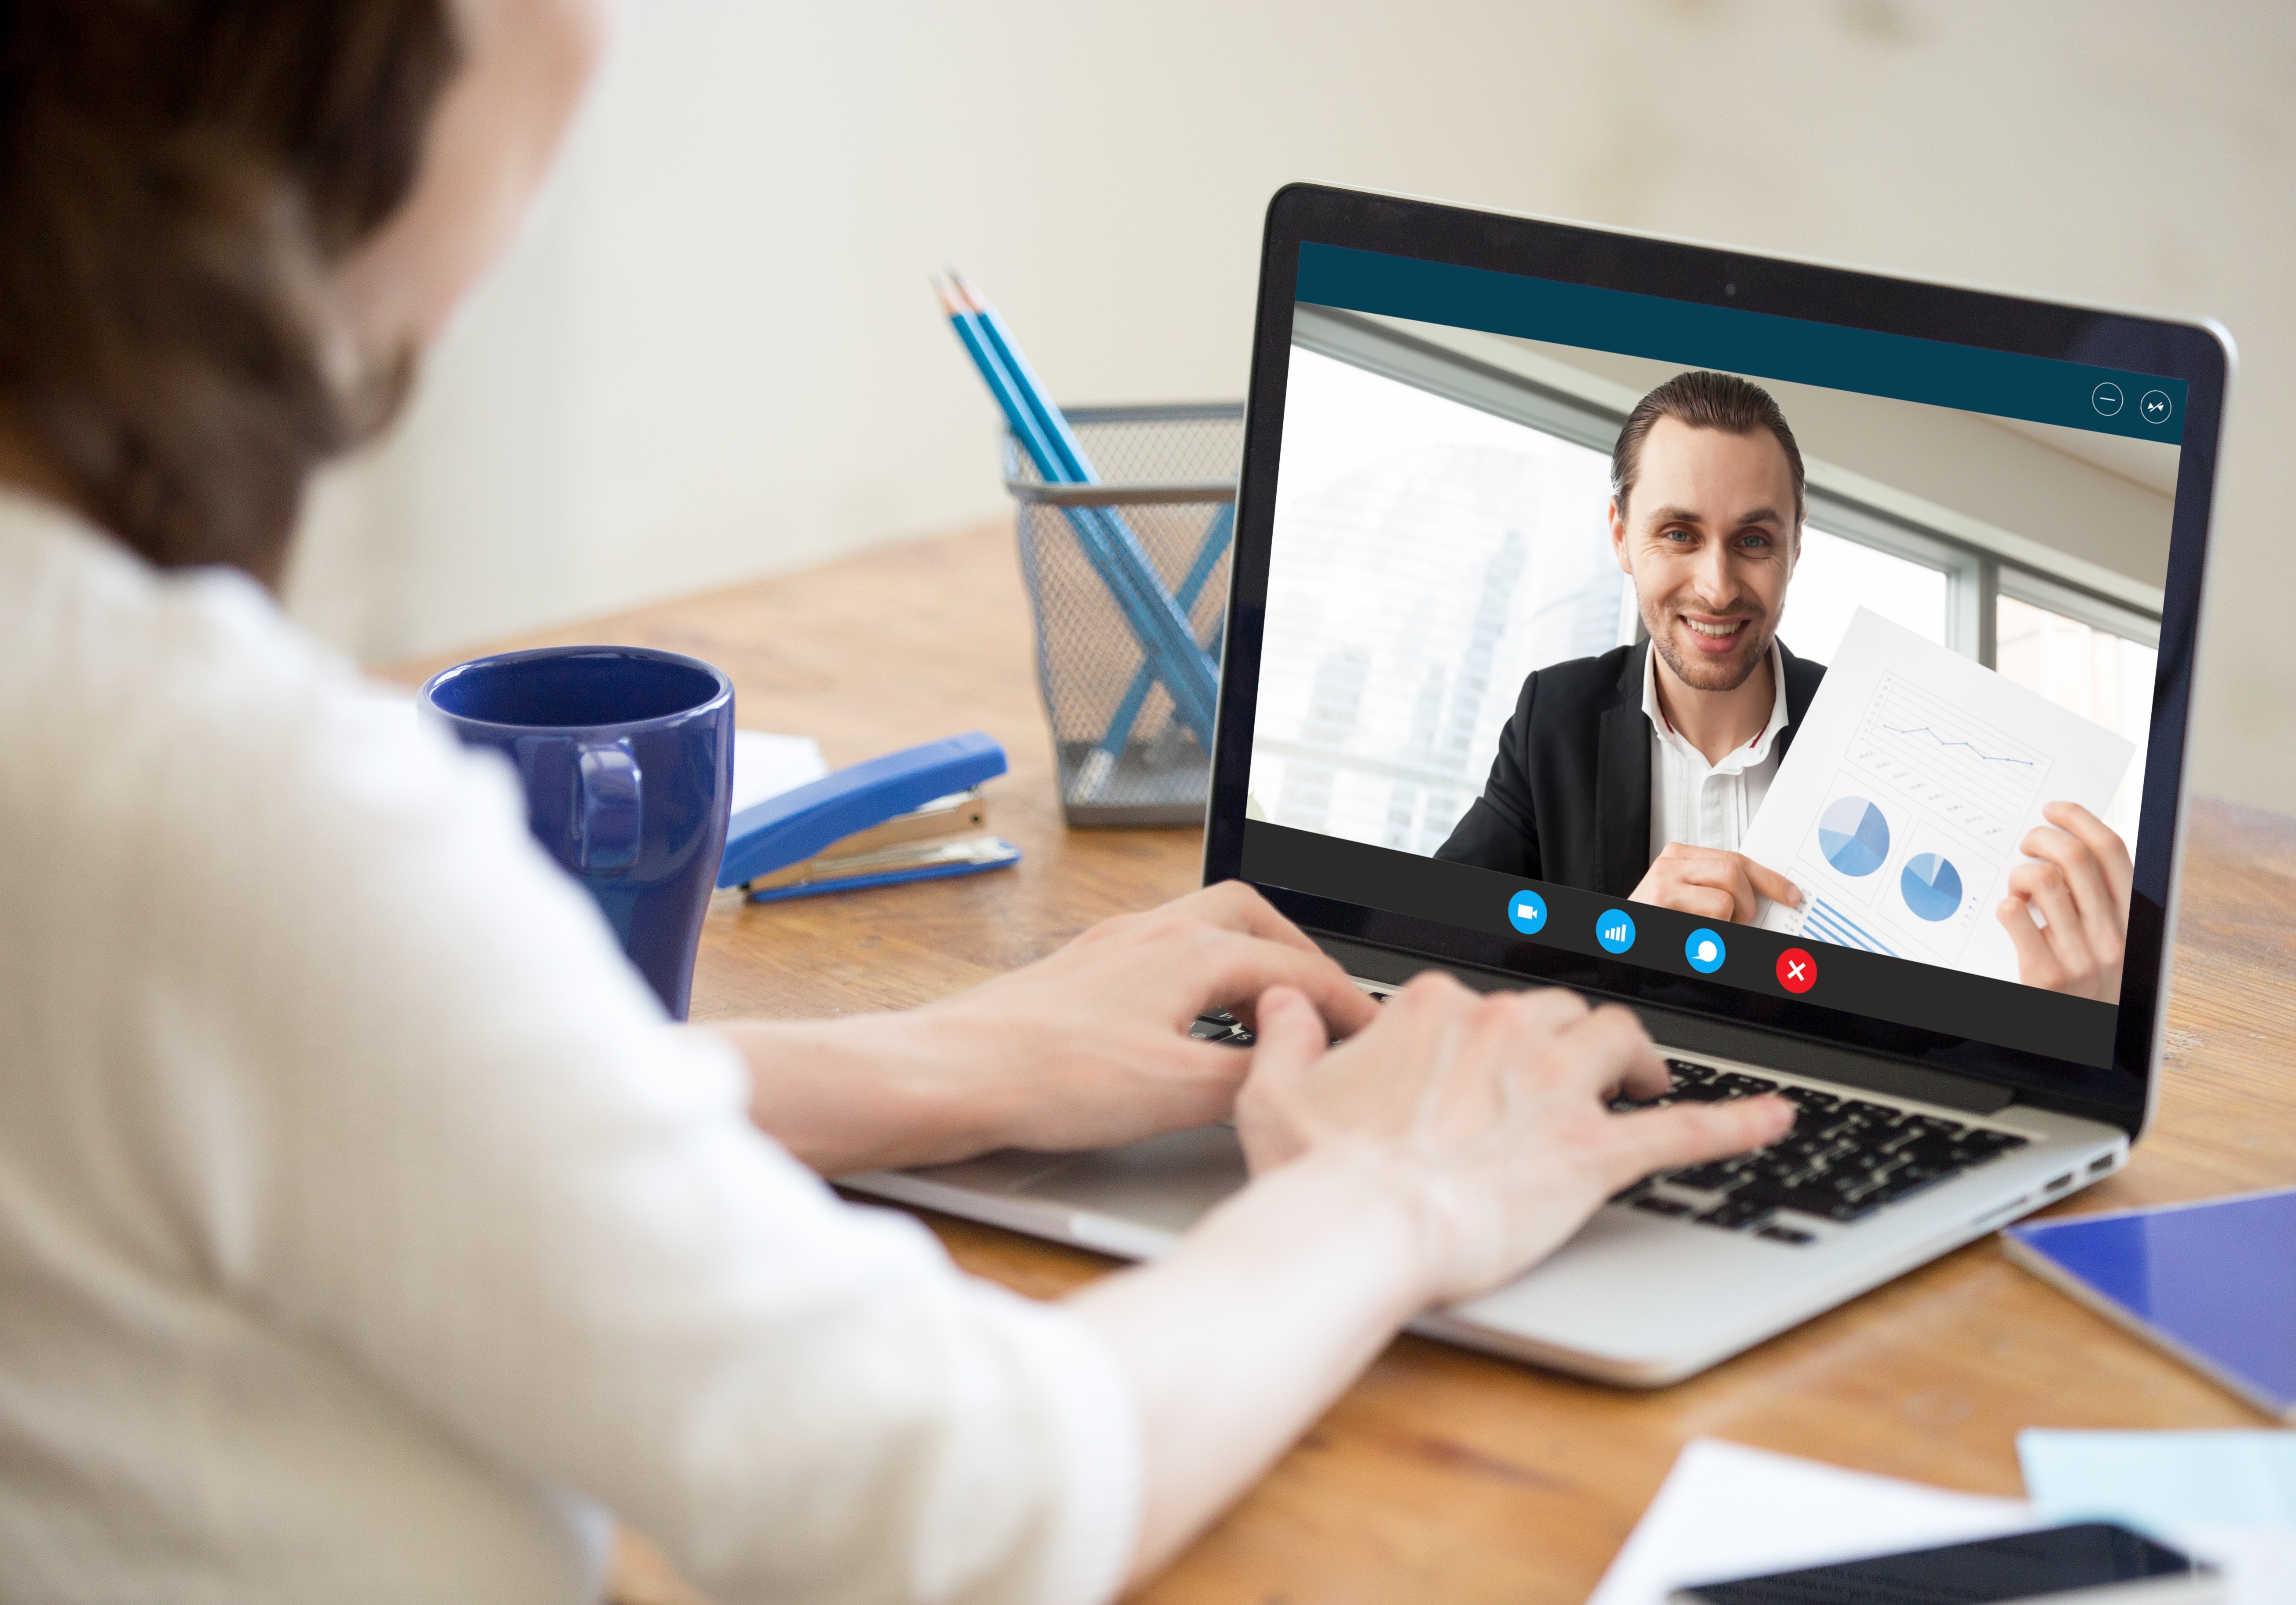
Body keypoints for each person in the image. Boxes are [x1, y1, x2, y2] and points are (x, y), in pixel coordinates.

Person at [0, 5, 1796, 1602]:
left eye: (1758, 539)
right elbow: (952, 1507)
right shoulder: (210, 803)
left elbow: (295, 1099)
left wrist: (919, 1064)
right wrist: (1390, 1197)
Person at [1433, 370, 2134, 1004]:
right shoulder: (1553, 718)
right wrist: (1616, 942)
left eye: (1755, 541)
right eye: (1678, 534)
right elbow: (1435, 957)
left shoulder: (1883, 739)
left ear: (1797, 546)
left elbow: (1936, 1030)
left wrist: (2059, 1015)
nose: (1716, 588)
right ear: (1620, 536)